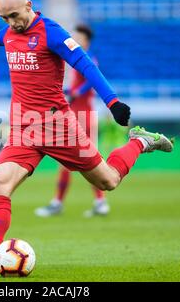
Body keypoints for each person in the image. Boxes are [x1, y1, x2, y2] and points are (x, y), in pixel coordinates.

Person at [0, 0, 173, 276]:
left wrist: (113, 102)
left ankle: (140, 141)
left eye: (14, 15)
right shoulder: (9, 33)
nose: (10, 23)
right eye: (4, 18)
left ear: (29, 5)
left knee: (108, 181)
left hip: (58, 127)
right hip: (24, 128)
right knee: (0, 182)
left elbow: (86, 65)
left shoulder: (51, 32)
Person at [34, 24, 110, 218]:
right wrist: (67, 91)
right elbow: (78, 86)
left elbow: (91, 81)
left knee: (82, 160)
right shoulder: (79, 57)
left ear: (86, 40)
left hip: (82, 115)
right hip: (78, 113)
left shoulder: (88, 58)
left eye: (78, 37)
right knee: (85, 160)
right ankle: (98, 202)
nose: (75, 39)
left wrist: (75, 92)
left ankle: (61, 202)